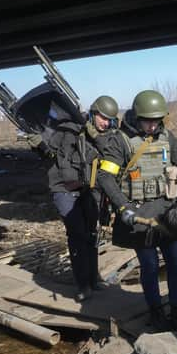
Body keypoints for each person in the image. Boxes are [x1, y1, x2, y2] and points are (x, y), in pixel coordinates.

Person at [96, 90, 177, 332]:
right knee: (150, 265)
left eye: (157, 120)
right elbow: (106, 177)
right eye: (148, 121)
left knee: (175, 262)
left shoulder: (167, 136)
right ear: (137, 116)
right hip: (140, 214)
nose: (152, 126)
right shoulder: (120, 141)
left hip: (166, 210)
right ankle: (156, 312)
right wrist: (124, 207)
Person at [29, 95, 119, 302]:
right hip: (63, 189)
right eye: (103, 118)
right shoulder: (68, 129)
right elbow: (49, 151)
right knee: (77, 234)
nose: (106, 123)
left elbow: (108, 156)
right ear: (93, 113)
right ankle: (82, 284)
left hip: (88, 189)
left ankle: (94, 278)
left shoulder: (104, 136)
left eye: (110, 120)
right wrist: (36, 144)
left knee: (92, 233)